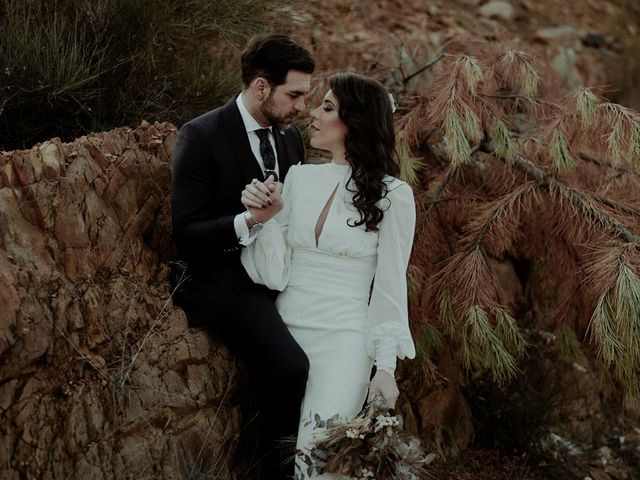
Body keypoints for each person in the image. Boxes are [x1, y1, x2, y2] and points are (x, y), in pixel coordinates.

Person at [240, 72, 416, 478]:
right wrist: (261, 220)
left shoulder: (394, 196)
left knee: (316, 461)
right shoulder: (300, 177)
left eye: (328, 108)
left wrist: (385, 369)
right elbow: (271, 274)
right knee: (269, 455)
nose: (313, 114)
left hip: (343, 341)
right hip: (282, 331)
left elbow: (390, 288)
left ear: (355, 123)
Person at [170, 34, 315, 479]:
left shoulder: (290, 142)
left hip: (280, 271)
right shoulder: (201, 135)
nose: (301, 108)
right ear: (260, 87)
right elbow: (185, 234)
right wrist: (248, 220)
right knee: (292, 366)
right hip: (227, 279)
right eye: (294, 95)